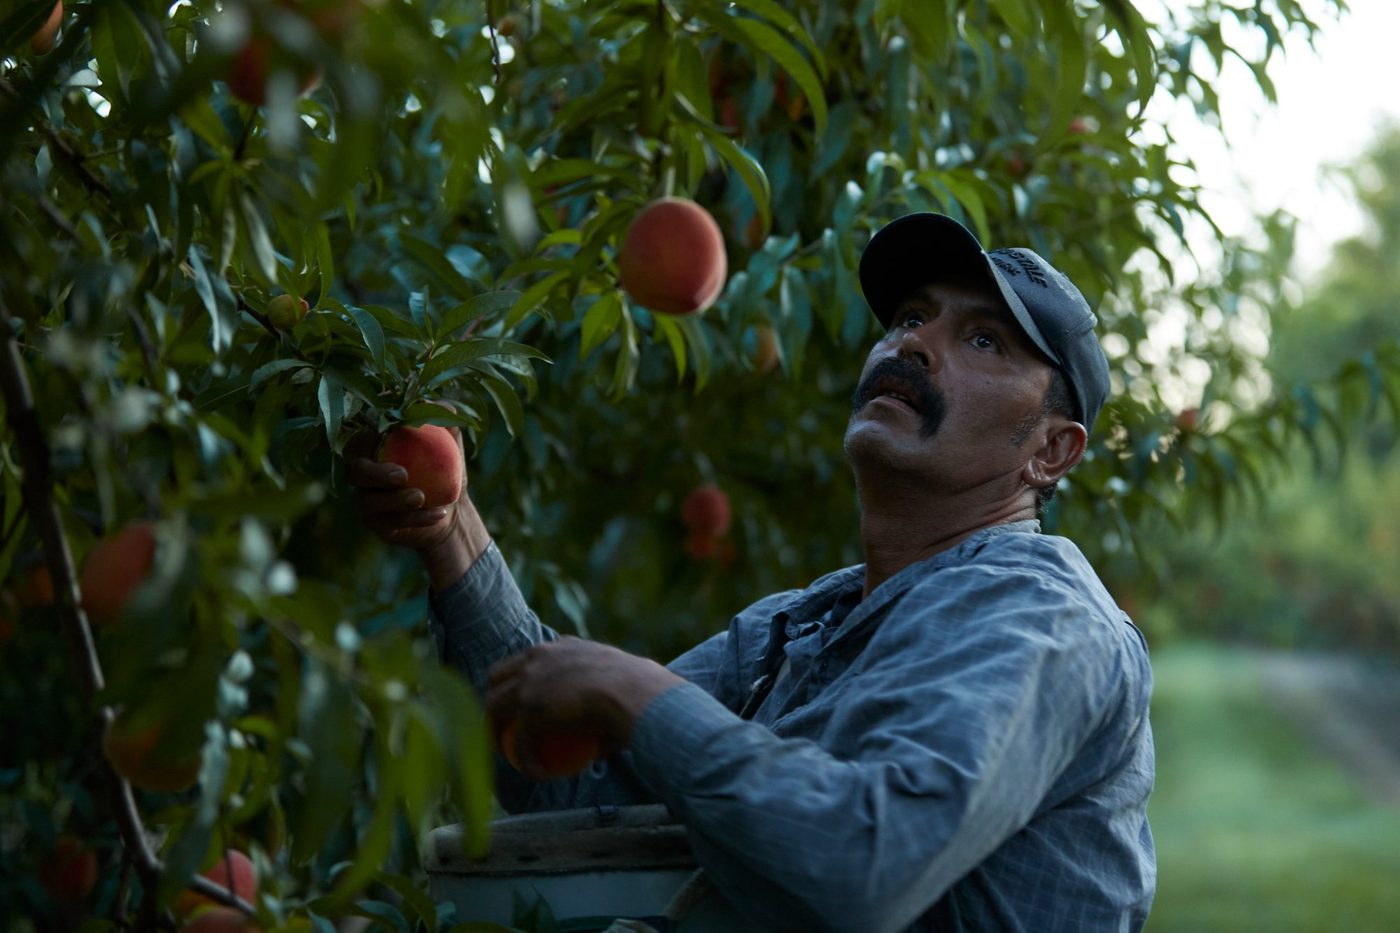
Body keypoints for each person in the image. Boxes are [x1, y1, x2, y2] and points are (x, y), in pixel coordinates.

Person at [350, 213, 1156, 932]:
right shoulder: (802, 623)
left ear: (1051, 451)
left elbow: (864, 869)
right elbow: (575, 783)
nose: (913, 342)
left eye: (983, 340)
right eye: (911, 317)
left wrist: (637, 691)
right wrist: (449, 528)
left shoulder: (1038, 615)